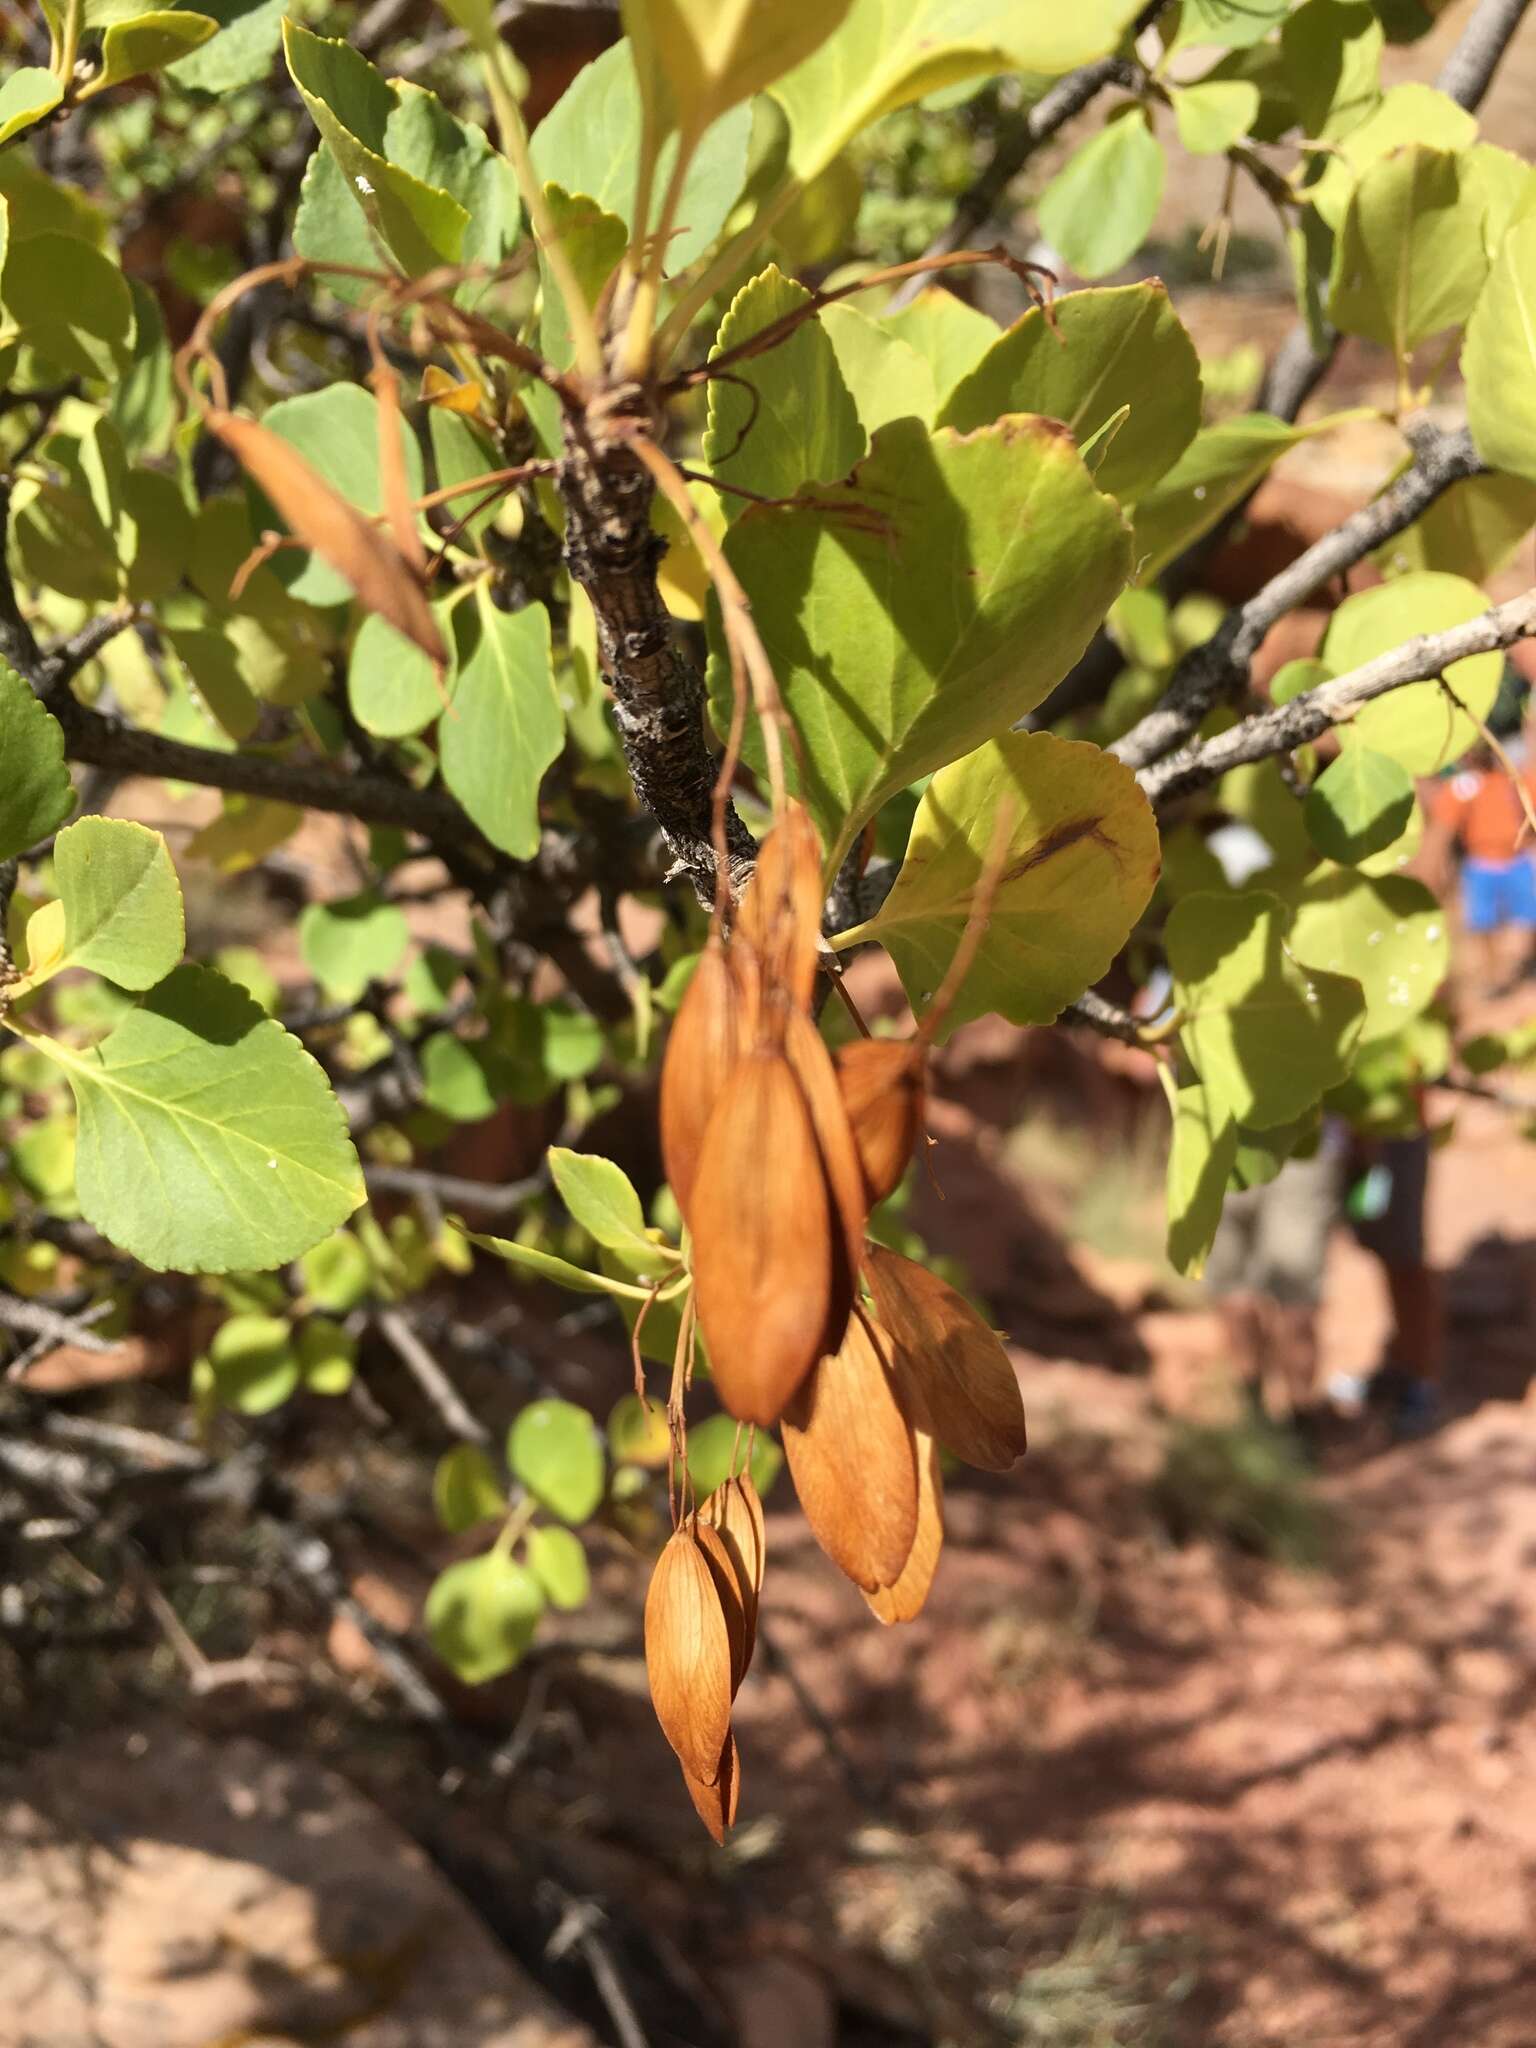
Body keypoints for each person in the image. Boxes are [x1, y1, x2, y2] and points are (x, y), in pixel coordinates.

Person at [1426, 733, 1536, 995]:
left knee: (1520, 929)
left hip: (1516, 863)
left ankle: (1509, 977)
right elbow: (1443, 827)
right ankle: (1492, 980)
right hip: (1481, 866)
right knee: (1482, 925)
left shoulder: (1520, 781)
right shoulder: (1465, 785)